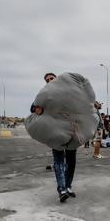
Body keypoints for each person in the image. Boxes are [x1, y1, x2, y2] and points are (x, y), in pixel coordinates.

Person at [31, 72, 77, 202]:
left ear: (57, 79)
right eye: (47, 80)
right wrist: (36, 109)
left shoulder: (67, 91)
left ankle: (68, 186)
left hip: (70, 131)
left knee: (71, 161)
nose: (50, 80)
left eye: (52, 78)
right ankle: (61, 189)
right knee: (58, 161)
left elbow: (80, 102)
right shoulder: (44, 94)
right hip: (54, 133)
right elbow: (33, 106)